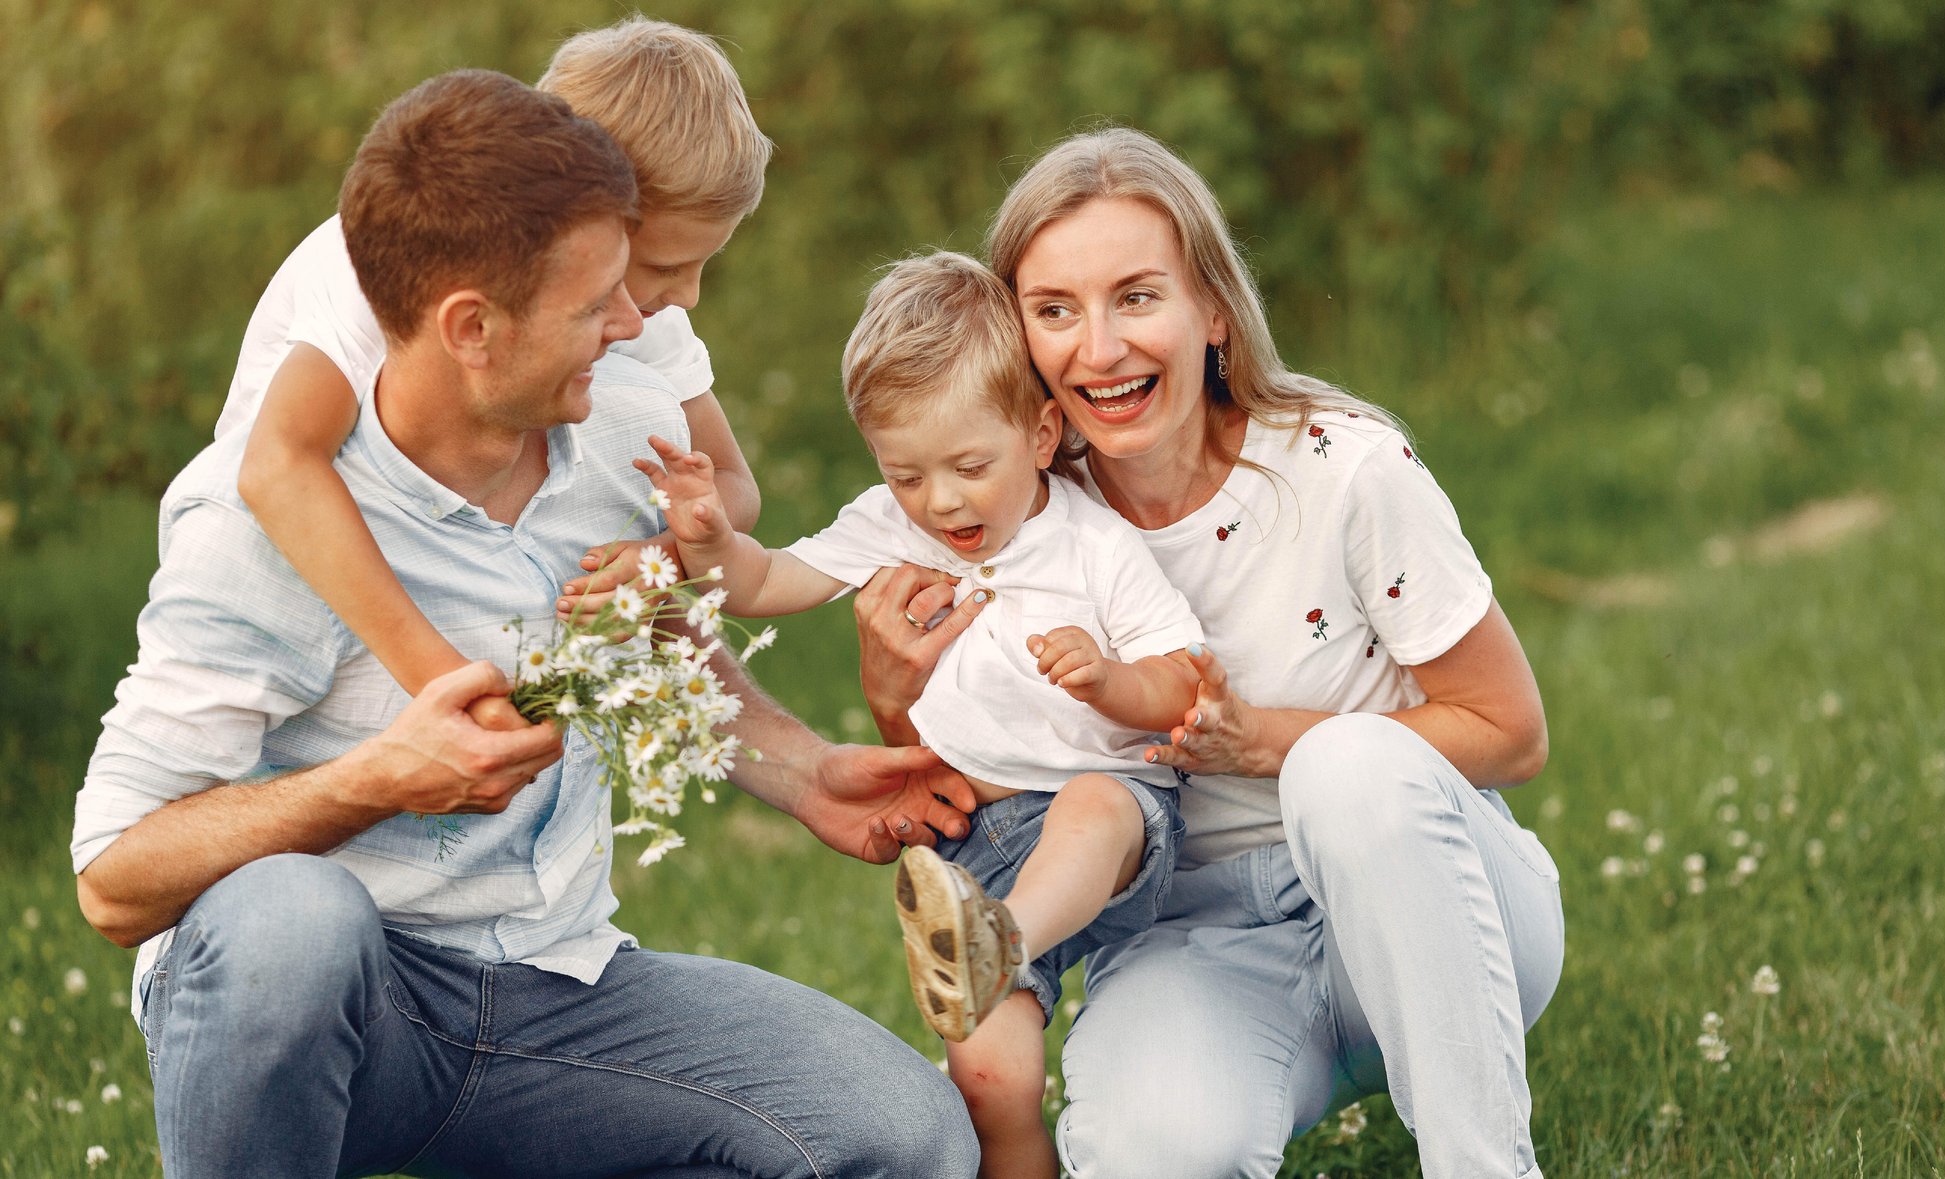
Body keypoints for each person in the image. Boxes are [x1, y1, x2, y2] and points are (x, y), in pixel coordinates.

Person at [71, 69, 978, 1179]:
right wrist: (378, 778)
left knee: (905, 1138)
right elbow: (112, 882)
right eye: (601, 300)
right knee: (289, 927)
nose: (642, 323)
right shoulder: (262, 512)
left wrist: (800, 770)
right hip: (341, 1010)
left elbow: (641, 626)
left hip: (550, 992)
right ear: (473, 328)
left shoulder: (614, 419)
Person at [855, 127, 1566, 1178]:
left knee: (1344, 766)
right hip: (1194, 936)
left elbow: (1510, 732)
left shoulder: (1341, 470)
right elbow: (979, 781)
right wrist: (892, 695)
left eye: (1137, 297)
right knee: (1145, 1150)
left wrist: (1265, 741)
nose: (1097, 349)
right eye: (1054, 311)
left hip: (1431, 903)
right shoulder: (1005, 516)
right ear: (1015, 345)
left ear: (1213, 313)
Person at [638, 251, 1202, 1178]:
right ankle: (1006, 1075)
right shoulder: (890, 525)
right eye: (906, 475)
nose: (939, 501)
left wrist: (1107, 681)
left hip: (1114, 823)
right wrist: (708, 539)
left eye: (969, 466)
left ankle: (1002, 940)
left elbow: (1183, 679)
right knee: (990, 1074)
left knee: (1094, 803)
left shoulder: (1092, 545)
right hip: (977, 836)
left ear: (1040, 429)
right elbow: (765, 581)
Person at [223, 17, 769, 724]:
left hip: (484, 588)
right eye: (666, 266)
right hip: (298, 594)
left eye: (703, 266)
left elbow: (733, 486)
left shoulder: (637, 308)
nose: (686, 297)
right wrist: (450, 689)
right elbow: (276, 468)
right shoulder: (394, 255)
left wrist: (663, 556)